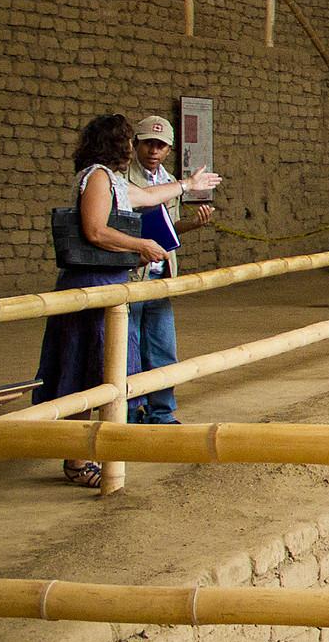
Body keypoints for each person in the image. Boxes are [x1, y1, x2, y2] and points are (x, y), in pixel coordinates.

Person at [34, 114, 223, 487]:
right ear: (114, 144)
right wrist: (140, 244)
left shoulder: (112, 180)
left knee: (102, 370)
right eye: (127, 141)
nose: (132, 148)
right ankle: (77, 458)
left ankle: (92, 449)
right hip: (91, 283)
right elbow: (95, 230)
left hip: (108, 282)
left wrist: (188, 185)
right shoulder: (97, 177)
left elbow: (149, 197)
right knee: (82, 369)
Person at [123, 114, 214, 425]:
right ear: (136, 144)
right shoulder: (123, 179)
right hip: (133, 276)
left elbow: (169, 228)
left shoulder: (169, 180)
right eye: (148, 143)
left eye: (160, 146)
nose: (153, 151)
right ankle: (128, 413)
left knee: (162, 347)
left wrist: (192, 224)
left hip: (160, 276)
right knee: (128, 349)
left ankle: (161, 412)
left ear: (169, 150)